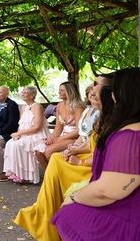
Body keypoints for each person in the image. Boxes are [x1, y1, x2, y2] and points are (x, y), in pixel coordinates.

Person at [15, 75, 114, 241]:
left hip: (90, 163)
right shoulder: (95, 113)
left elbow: (99, 152)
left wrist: (77, 157)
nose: (91, 90)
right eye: (91, 87)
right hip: (80, 147)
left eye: (96, 86)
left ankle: (42, 213)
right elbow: (88, 142)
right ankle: (42, 209)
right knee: (50, 155)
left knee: (54, 157)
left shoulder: (102, 117)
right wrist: (67, 146)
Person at [52, 68, 140, 240]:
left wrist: (73, 198)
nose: (112, 94)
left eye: (116, 90)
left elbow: (107, 191)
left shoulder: (131, 136)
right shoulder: (124, 126)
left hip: (129, 216)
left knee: (66, 215)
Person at [3, 86, 50, 184]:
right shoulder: (24, 107)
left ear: (32, 95)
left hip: (36, 135)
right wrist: (18, 134)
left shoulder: (37, 107)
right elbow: (22, 124)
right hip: (25, 134)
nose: (22, 93)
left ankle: (27, 176)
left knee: (19, 145)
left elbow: (37, 127)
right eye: (23, 92)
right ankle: (17, 173)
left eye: (25, 92)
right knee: (10, 143)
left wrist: (20, 133)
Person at [35, 81, 84, 169]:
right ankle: (49, 177)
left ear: (70, 92)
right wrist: (51, 137)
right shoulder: (59, 105)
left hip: (75, 138)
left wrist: (60, 138)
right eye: (59, 90)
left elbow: (79, 130)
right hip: (63, 136)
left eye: (62, 90)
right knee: (38, 152)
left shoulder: (78, 106)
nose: (59, 92)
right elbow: (58, 128)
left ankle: (59, 175)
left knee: (48, 151)